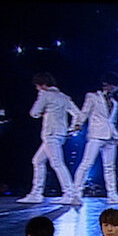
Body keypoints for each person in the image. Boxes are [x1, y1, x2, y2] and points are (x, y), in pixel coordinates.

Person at [18, 72, 80, 204]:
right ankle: (36, 193)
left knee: (57, 163)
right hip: (60, 134)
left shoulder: (45, 95)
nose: (37, 89)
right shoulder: (64, 97)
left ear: (43, 85)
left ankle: (70, 194)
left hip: (51, 134)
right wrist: (72, 128)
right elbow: (77, 114)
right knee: (37, 161)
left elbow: (34, 112)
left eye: (37, 86)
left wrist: (42, 109)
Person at [71, 72, 118, 205]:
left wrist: (116, 135)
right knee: (86, 164)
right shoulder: (92, 97)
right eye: (112, 85)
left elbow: (112, 121)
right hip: (96, 134)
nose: (113, 88)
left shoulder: (115, 102)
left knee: (110, 167)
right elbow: (84, 112)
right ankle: (76, 193)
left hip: (110, 137)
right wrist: (78, 123)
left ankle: (112, 194)